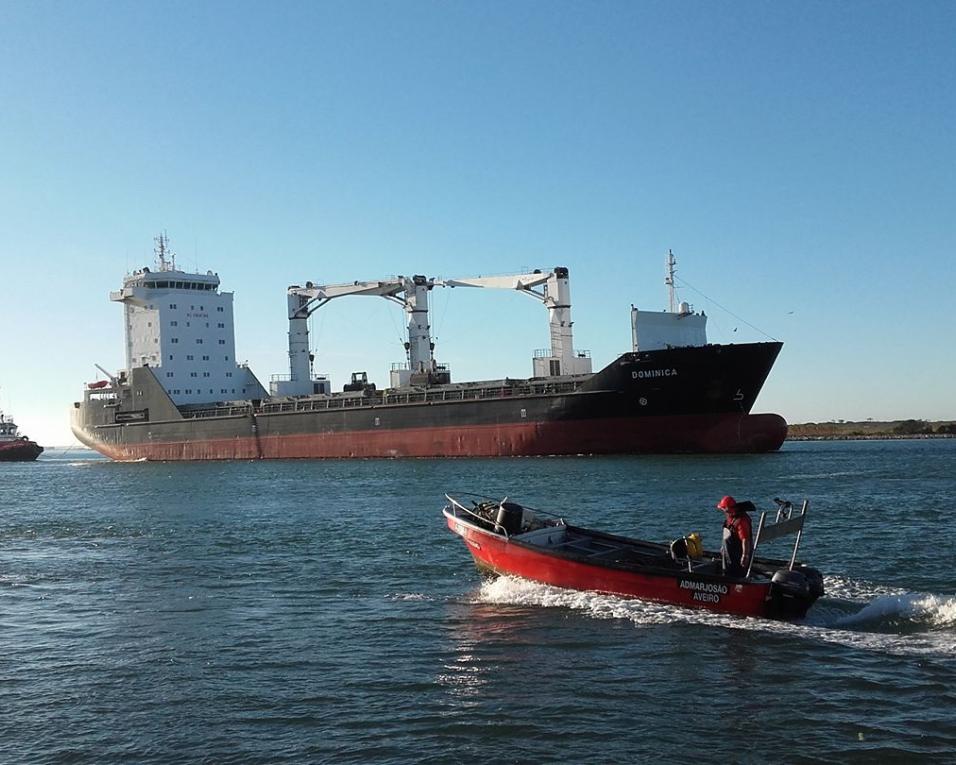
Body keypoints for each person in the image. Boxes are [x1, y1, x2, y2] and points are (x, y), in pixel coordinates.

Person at [717, 495, 753, 577]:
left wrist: (745, 556)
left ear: (727, 509)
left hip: (737, 557)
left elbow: (745, 539)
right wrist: (723, 548)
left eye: (723, 508)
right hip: (729, 554)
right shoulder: (730, 517)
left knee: (735, 573)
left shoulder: (741, 521)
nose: (722, 510)